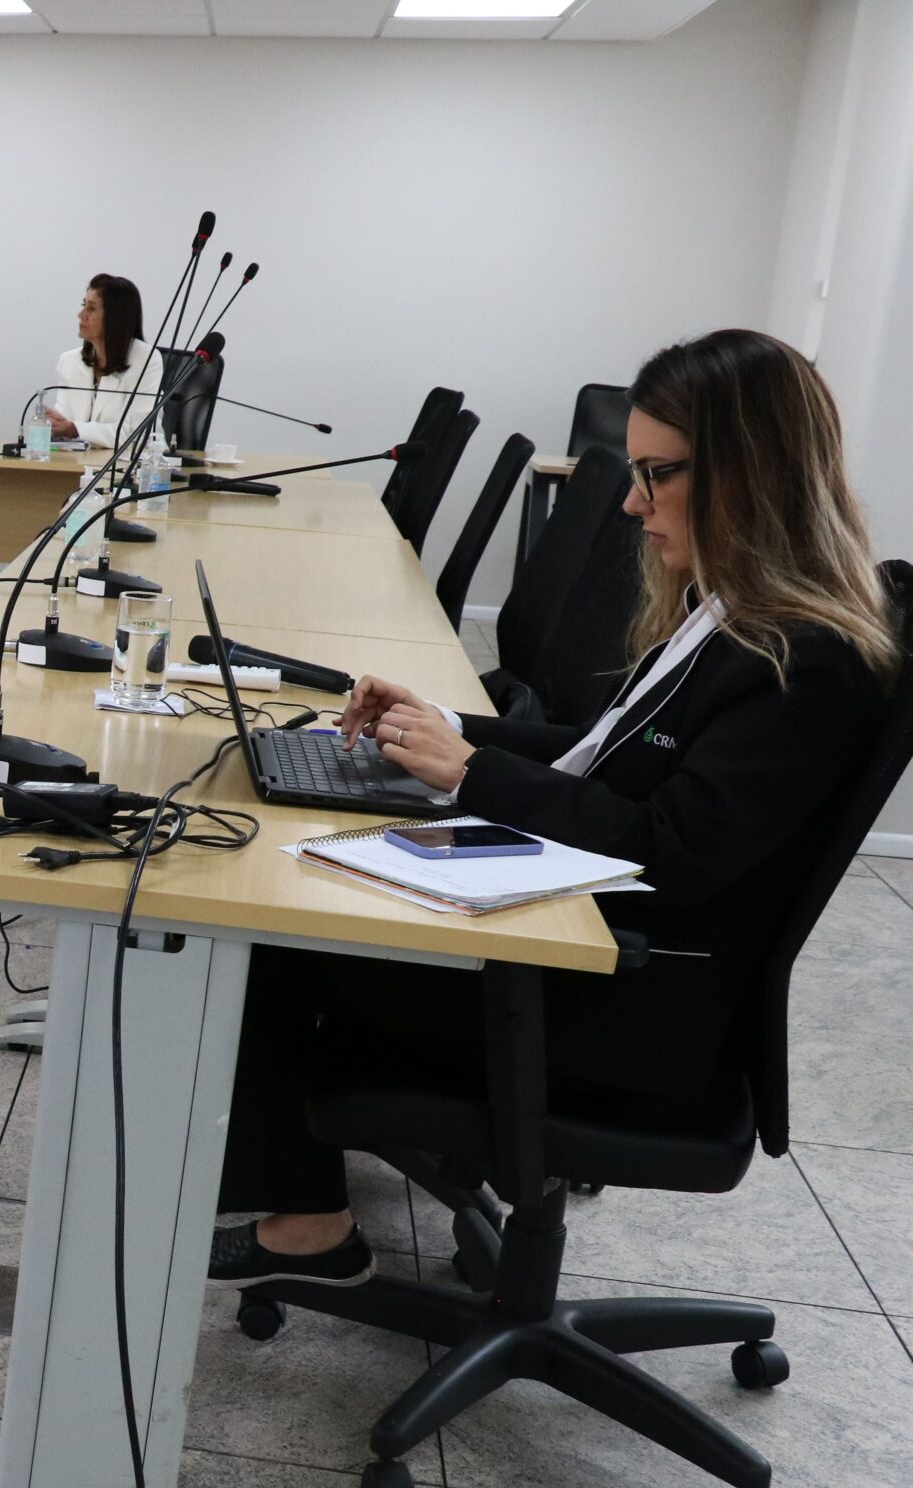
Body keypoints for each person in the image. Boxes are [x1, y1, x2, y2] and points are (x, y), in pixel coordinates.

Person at [209, 328, 899, 1289]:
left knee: (282, 931)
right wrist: (444, 727)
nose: (630, 501)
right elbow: (602, 756)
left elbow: (670, 848)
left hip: (629, 1005)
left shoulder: (807, 661)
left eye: (656, 475)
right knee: (301, 882)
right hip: (590, 946)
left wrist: (469, 776)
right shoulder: (732, 610)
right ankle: (288, 1178)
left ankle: (311, 1226)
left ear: (749, 474)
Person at [44, 273, 147, 449]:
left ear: (115, 317)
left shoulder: (146, 360)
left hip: (130, 469)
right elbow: (63, 427)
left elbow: (133, 434)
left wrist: (74, 429)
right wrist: (53, 425)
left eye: (91, 309)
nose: (81, 315)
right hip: (79, 467)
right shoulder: (69, 361)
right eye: (84, 306)